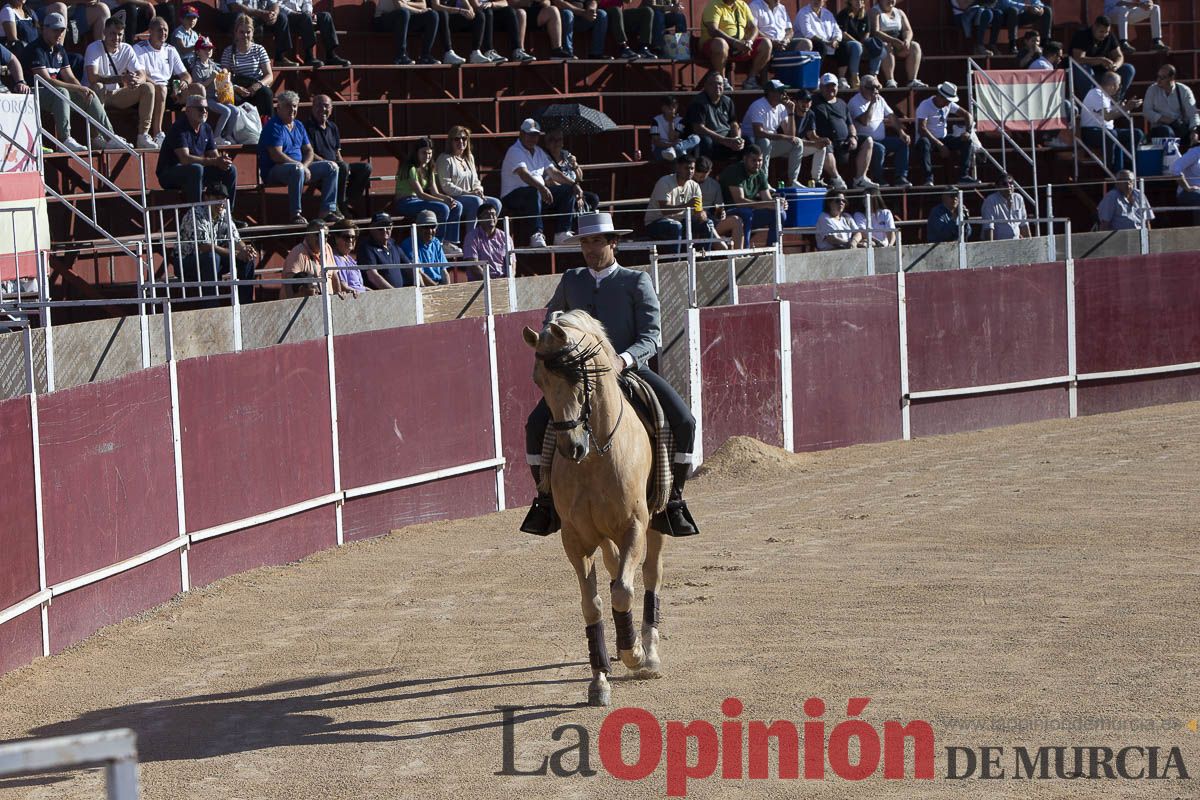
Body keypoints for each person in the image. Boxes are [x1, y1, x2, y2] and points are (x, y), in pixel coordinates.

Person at [521, 210, 699, 537]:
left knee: (684, 420)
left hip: (629, 371)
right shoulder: (572, 279)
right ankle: (545, 501)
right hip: (580, 377)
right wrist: (548, 335)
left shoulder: (636, 281)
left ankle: (672, 500)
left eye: (597, 241)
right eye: (585, 242)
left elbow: (651, 336)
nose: (590, 248)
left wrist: (623, 360)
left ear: (613, 242)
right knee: (535, 425)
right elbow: (552, 319)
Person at [23, 13, 129, 152]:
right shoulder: (36, 49)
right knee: (63, 92)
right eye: (56, 30)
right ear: (44, 29)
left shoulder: (59, 49)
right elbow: (46, 81)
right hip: (33, 92)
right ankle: (65, 139)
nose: (59, 34)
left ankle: (110, 137)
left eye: (62, 30)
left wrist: (82, 89)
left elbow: (69, 76)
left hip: (53, 92)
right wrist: (77, 88)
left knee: (90, 94)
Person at [259, 89, 340, 225]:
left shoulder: (299, 125)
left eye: (295, 106)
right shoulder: (274, 126)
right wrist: (301, 166)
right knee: (297, 169)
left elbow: (309, 150)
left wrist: (305, 166)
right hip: (275, 170)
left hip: (299, 168)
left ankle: (327, 211)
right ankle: (296, 214)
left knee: (332, 167)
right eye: (288, 106)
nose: (292, 109)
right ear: (278, 108)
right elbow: (276, 155)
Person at [499, 118, 581, 247]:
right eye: (530, 134)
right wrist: (542, 188)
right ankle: (536, 234)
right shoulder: (514, 151)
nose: (533, 138)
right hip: (513, 196)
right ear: (521, 134)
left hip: (537, 194)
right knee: (533, 192)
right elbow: (524, 174)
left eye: (535, 135)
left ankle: (562, 233)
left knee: (567, 190)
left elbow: (553, 172)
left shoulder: (538, 151)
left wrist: (573, 184)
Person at [177, 183, 257, 304]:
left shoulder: (224, 213)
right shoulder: (195, 214)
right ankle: (212, 305)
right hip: (186, 263)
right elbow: (204, 246)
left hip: (212, 260)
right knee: (212, 257)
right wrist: (236, 254)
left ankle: (245, 304)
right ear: (206, 198)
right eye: (217, 198)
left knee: (247, 258)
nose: (221, 202)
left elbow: (235, 238)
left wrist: (245, 249)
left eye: (224, 198)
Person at [84, 15, 156, 148]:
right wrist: (122, 79)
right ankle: (96, 137)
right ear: (104, 32)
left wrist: (136, 81)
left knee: (148, 87)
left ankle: (143, 135)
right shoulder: (93, 48)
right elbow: (92, 77)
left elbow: (142, 74)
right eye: (113, 33)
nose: (116, 38)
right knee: (98, 86)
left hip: (116, 94)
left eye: (120, 34)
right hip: (93, 95)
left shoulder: (127, 49)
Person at [158, 93, 238, 204]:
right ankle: (197, 213)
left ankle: (228, 215)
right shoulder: (179, 128)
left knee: (230, 170)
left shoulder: (206, 128)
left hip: (195, 171)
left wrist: (222, 161)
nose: (204, 111)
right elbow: (184, 159)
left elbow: (214, 156)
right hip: (169, 174)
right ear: (188, 111)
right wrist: (214, 161)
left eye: (206, 109)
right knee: (196, 169)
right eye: (200, 109)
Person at [393, 136, 463, 252]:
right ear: (416, 153)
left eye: (429, 153)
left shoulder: (429, 168)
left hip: (418, 201)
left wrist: (448, 198)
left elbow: (435, 192)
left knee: (457, 206)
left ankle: (449, 241)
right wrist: (443, 202)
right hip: (405, 202)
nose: (427, 156)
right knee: (443, 208)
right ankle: (438, 243)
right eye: (423, 153)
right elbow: (420, 193)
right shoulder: (410, 168)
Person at [306, 94, 372, 217]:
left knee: (365, 168)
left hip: (336, 166)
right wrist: (333, 165)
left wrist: (343, 166)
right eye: (319, 105)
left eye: (326, 106)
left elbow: (337, 152)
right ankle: (340, 205)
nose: (323, 109)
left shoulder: (333, 127)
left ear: (331, 109)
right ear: (313, 107)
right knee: (341, 167)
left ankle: (345, 202)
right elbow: (309, 153)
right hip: (318, 167)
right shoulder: (306, 127)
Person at [812, 71, 877, 189]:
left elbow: (850, 124)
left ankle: (860, 178)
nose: (831, 89)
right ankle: (836, 178)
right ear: (821, 87)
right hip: (827, 142)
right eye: (827, 86)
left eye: (833, 86)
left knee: (868, 140)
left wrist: (853, 137)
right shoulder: (814, 102)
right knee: (824, 145)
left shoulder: (842, 103)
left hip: (845, 143)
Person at [436, 125, 501, 242]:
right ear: (450, 141)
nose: (461, 141)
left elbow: (476, 180)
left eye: (464, 138)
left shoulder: (469, 157)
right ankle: (472, 239)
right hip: (454, 196)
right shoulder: (445, 159)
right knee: (475, 202)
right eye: (457, 139)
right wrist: (469, 193)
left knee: (496, 203)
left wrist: (478, 190)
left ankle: (485, 235)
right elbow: (446, 186)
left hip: (472, 195)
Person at [132, 17, 190, 147]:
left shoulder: (170, 49)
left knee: (198, 89)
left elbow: (185, 74)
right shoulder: (139, 48)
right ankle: (158, 133)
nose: (163, 33)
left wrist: (184, 82)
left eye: (166, 30)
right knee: (161, 89)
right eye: (160, 30)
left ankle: (195, 134)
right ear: (150, 31)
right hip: (147, 89)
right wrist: (158, 85)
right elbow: (141, 74)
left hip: (168, 89)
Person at [849, 73, 910, 186]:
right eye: (872, 88)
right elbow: (865, 121)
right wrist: (872, 103)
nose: (875, 90)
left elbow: (891, 116)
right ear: (862, 88)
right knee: (880, 149)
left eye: (877, 87)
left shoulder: (880, 99)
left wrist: (901, 132)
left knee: (902, 143)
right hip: (865, 142)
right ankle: (878, 178)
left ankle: (901, 177)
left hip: (881, 139)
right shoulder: (854, 102)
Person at [718, 144, 786, 246]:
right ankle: (745, 251)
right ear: (745, 159)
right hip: (728, 212)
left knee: (780, 213)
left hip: (750, 210)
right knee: (746, 213)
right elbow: (739, 202)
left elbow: (766, 199)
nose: (758, 164)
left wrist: (778, 204)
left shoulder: (760, 173)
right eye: (754, 160)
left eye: (760, 160)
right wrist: (767, 204)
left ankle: (772, 249)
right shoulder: (734, 171)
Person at [742, 79, 804, 187]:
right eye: (781, 91)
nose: (784, 94)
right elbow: (758, 133)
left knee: (797, 143)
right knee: (765, 141)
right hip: (753, 145)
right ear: (771, 93)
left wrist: (790, 112)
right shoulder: (758, 105)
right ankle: (764, 183)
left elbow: (791, 136)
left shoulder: (782, 107)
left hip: (770, 144)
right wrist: (782, 137)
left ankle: (793, 181)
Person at [913, 80, 975, 185]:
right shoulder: (925, 105)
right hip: (929, 140)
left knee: (967, 141)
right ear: (940, 96)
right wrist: (940, 145)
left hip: (944, 138)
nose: (948, 103)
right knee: (924, 143)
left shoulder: (948, 104)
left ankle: (963, 176)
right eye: (947, 101)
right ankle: (928, 178)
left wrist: (968, 131)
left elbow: (967, 115)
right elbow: (922, 129)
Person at [1080, 69, 1142, 172]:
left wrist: (1125, 106)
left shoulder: (1105, 96)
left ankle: (1128, 168)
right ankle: (1111, 170)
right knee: (1112, 135)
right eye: (1118, 85)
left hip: (1106, 130)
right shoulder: (1096, 93)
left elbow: (1110, 112)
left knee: (1136, 133)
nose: (1119, 88)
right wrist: (1126, 108)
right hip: (1091, 132)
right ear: (1113, 85)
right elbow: (1107, 116)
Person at [699, 0, 770, 90]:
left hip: (740, 46)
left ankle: (751, 80)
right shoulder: (714, 5)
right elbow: (713, 30)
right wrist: (735, 42)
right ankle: (722, 81)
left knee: (766, 43)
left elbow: (753, 27)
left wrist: (749, 42)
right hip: (715, 47)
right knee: (720, 43)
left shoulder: (742, 5)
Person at [644, 154, 704, 254]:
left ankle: (705, 260)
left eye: (692, 168)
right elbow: (664, 211)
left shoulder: (695, 186)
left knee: (708, 224)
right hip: (655, 222)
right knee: (676, 226)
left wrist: (702, 215)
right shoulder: (664, 182)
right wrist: (687, 205)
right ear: (678, 167)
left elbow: (699, 211)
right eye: (686, 168)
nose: (690, 171)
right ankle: (675, 263)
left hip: (682, 221)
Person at [794, 0, 860, 90]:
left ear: (824, 1)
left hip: (829, 44)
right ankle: (815, 79)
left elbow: (837, 30)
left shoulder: (827, 14)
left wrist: (836, 40)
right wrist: (826, 42)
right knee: (820, 46)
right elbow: (808, 33)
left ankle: (841, 79)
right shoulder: (804, 12)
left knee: (844, 45)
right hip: (811, 43)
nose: (816, 1)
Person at [220, 13, 274, 117]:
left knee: (266, 93)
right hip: (238, 87)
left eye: (248, 32)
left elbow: (269, 75)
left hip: (256, 86)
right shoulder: (228, 51)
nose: (245, 35)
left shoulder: (259, 49)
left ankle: (267, 126)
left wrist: (257, 85)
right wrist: (235, 88)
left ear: (253, 32)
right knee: (229, 95)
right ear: (236, 33)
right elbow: (224, 75)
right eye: (241, 32)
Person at [1070, 16, 1134, 101]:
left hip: (1105, 74)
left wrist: (1115, 66)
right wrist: (1100, 60)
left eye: (1106, 32)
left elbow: (1119, 56)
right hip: (1087, 74)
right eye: (1101, 31)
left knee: (1128, 69)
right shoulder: (1082, 35)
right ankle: (1090, 102)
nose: (1104, 35)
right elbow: (1078, 59)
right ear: (1094, 27)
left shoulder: (1110, 36)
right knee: (1084, 69)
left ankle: (1115, 101)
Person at [685, 70, 745, 160]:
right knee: (706, 141)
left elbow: (733, 123)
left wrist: (737, 138)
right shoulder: (698, 102)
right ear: (705, 86)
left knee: (747, 142)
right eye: (713, 84)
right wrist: (724, 140)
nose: (717, 86)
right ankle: (704, 171)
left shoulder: (728, 101)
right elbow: (698, 128)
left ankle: (739, 173)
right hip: (711, 139)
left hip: (727, 139)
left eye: (720, 84)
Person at [188, 37, 236, 146]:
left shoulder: (212, 64)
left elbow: (223, 74)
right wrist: (211, 78)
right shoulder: (197, 67)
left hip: (217, 97)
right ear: (198, 51)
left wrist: (224, 72)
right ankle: (216, 136)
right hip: (206, 99)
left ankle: (228, 134)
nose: (208, 51)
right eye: (205, 48)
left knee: (235, 110)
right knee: (226, 111)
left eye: (210, 49)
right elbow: (199, 87)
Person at [544, 127, 599, 221]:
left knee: (593, 198)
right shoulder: (545, 158)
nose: (556, 142)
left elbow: (579, 178)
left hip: (574, 190)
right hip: (558, 194)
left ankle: (587, 225)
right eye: (552, 140)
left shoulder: (566, 155)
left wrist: (575, 165)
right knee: (572, 202)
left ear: (562, 142)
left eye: (559, 139)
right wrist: (573, 193)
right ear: (547, 143)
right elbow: (550, 182)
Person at [218, 0, 294, 65]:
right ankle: (238, 56)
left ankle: (280, 57)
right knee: (240, 17)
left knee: (282, 18)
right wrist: (260, 13)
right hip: (230, 16)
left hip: (256, 15)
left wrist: (273, 14)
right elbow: (235, 7)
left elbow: (274, 4)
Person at [868, 0, 923, 89]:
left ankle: (912, 80)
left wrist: (907, 40)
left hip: (899, 43)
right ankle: (890, 80)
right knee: (886, 46)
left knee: (915, 46)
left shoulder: (899, 12)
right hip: (883, 42)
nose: (891, 1)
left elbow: (907, 30)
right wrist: (893, 40)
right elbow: (876, 31)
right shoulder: (875, 11)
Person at [282, 220, 344, 296]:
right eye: (318, 235)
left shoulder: (327, 247)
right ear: (308, 235)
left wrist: (339, 296)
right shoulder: (297, 253)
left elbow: (334, 275)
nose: (322, 239)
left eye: (326, 236)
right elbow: (290, 285)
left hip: (328, 300)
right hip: (308, 304)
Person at [1143, 64, 1199, 145]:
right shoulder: (1152, 90)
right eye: (1157, 76)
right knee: (1166, 131)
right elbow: (1147, 111)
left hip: (1180, 127)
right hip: (1160, 127)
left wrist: (1194, 132)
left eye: (1162, 78)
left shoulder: (1184, 90)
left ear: (1171, 78)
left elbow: (1192, 113)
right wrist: (1168, 120)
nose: (1158, 80)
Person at [694, 155, 743, 247]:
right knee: (707, 223)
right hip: (693, 219)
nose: (699, 179)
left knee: (737, 221)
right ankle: (725, 252)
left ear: (709, 172)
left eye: (703, 177)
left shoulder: (714, 185)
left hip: (711, 219)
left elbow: (719, 206)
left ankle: (738, 255)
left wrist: (721, 212)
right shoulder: (686, 183)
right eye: (697, 176)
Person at [372, 0, 440, 65]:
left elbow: (423, 5)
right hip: (383, 19)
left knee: (432, 15)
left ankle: (425, 56)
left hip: (405, 18)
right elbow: (399, 6)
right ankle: (401, 56)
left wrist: (407, 3)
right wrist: (419, 11)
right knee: (403, 13)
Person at [795, 88, 838, 187]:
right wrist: (814, 143)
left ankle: (816, 179)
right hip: (788, 145)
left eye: (808, 101)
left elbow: (812, 135)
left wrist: (822, 140)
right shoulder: (790, 113)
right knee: (797, 146)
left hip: (801, 144)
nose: (806, 104)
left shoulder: (810, 114)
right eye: (803, 101)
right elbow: (792, 138)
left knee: (821, 147)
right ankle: (793, 180)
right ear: (796, 102)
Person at [461, 199, 513, 279]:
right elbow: (473, 265)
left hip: (503, 281)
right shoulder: (471, 237)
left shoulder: (505, 237)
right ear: (479, 218)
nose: (491, 217)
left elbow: (512, 263)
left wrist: (509, 279)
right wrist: (489, 283)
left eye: (493, 214)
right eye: (486, 214)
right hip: (481, 283)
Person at [400, 208, 452, 286]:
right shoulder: (409, 244)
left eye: (432, 226)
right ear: (417, 228)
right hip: (422, 286)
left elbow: (444, 271)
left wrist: (447, 288)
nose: (430, 231)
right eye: (426, 226)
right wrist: (437, 289)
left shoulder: (436, 242)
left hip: (437, 285)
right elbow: (419, 274)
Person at [357, 212, 410, 288]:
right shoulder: (366, 248)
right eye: (380, 227)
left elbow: (410, 267)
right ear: (371, 228)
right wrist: (394, 293)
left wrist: (424, 286)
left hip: (398, 294)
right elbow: (373, 277)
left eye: (387, 226)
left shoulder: (393, 243)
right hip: (379, 296)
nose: (385, 230)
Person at [837, 0, 881, 80]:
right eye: (856, 0)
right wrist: (858, 43)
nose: (859, 2)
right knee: (857, 46)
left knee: (878, 46)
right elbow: (844, 34)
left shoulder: (864, 14)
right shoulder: (844, 14)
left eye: (861, 0)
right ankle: (854, 77)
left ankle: (873, 76)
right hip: (848, 43)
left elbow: (867, 31)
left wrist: (864, 42)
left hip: (861, 43)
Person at [650, 94, 699, 161]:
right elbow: (656, 142)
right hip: (661, 149)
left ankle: (676, 149)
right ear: (663, 108)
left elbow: (672, 138)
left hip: (676, 146)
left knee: (696, 138)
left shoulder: (680, 120)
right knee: (679, 153)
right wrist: (671, 144)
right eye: (670, 107)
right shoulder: (656, 120)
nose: (673, 109)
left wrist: (671, 122)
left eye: (674, 107)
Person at [980, 174, 1029, 240]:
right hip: (998, 244)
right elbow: (989, 228)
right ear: (997, 187)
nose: (1009, 186)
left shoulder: (1018, 198)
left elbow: (1024, 224)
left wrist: (1030, 246)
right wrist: (991, 248)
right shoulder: (990, 201)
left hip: (1016, 242)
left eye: (1011, 183)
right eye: (1004, 184)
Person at [329, 220, 366, 294]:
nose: (351, 240)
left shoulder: (350, 259)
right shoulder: (334, 259)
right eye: (347, 237)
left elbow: (360, 286)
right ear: (336, 238)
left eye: (353, 237)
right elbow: (342, 286)